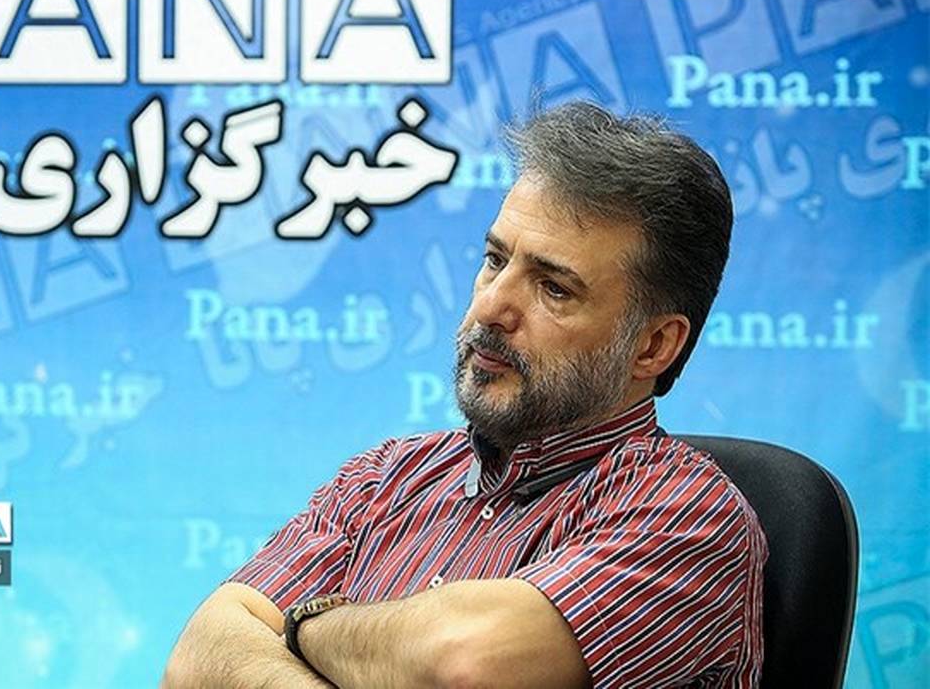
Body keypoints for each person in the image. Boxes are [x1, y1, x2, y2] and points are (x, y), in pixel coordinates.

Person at [162, 101, 767, 689]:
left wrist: (303, 624)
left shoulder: (692, 515)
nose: (491, 306)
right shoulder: (384, 479)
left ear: (653, 346)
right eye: (495, 260)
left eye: (553, 289)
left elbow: (464, 666)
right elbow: (199, 656)